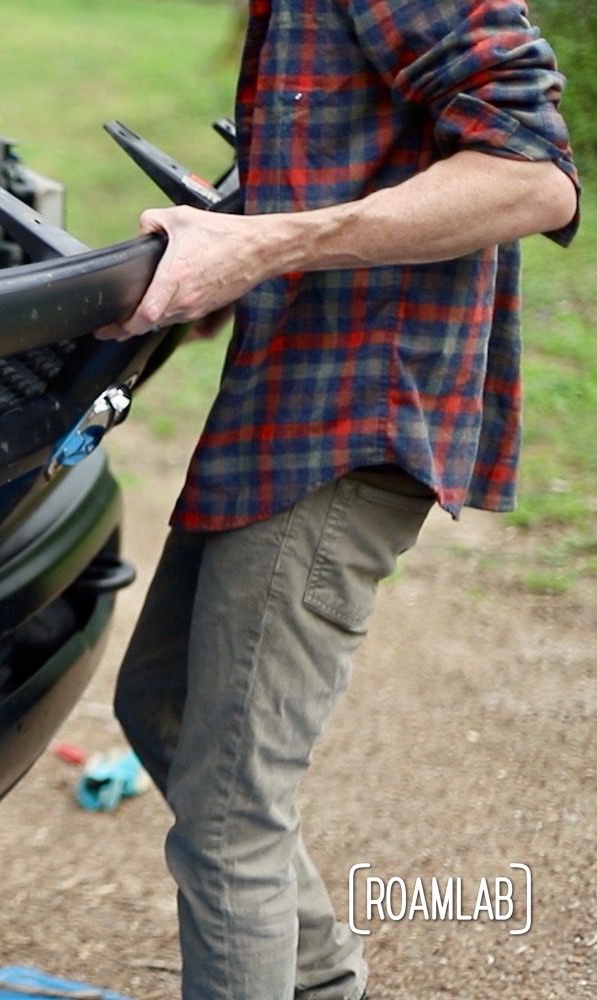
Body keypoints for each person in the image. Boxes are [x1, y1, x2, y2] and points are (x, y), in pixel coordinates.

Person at [94, 1, 580, 998]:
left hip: (353, 420)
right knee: (165, 702)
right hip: (283, 406)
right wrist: (227, 259)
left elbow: (533, 179)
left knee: (231, 817)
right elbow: (352, 165)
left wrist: (264, 247)